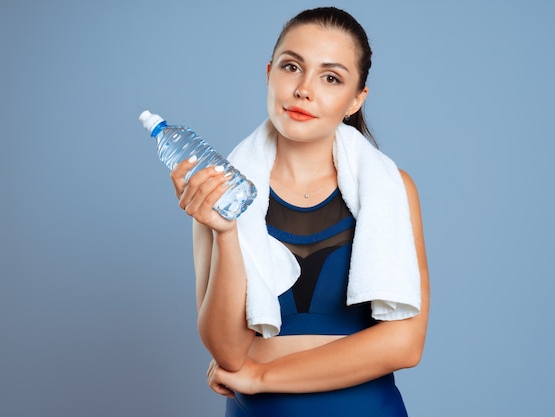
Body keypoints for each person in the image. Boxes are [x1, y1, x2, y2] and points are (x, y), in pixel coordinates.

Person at [170, 6, 429, 417]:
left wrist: (262, 378)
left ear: (355, 99)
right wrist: (224, 231)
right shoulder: (219, 191)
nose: (304, 89)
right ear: (270, 73)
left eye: (331, 77)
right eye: (292, 67)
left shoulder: (392, 189)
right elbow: (228, 350)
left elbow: (405, 343)